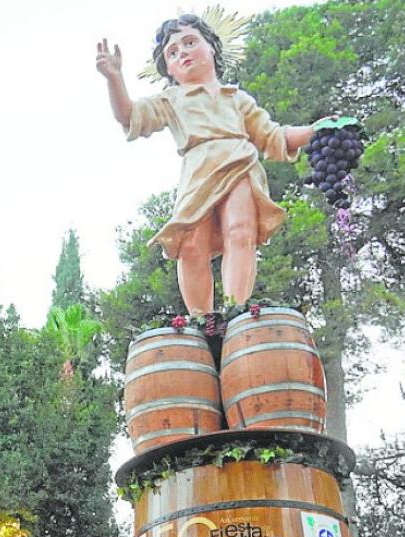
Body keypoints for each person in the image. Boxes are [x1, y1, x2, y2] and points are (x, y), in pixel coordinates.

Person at [95, 15, 319, 316]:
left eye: (189, 43)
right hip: (197, 172)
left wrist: (316, 130)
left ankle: (234, 311)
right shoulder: (172, 99)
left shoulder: (237, 98)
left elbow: (274, 136)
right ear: (170, 70)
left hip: (239, 164)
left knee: (240, 232)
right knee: (190, 247)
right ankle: (204, 323)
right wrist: (114, 79)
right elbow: (129, 116)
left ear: (212, 47)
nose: (182, 53)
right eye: (172, 53)